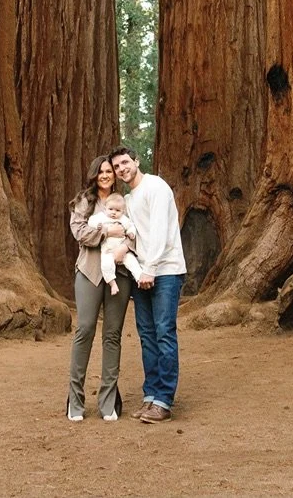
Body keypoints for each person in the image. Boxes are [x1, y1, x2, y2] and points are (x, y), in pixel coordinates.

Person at [110, 146, 185, 424]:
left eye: (125, 162)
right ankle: (151, 395)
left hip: (165, 271)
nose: (122, 169)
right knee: (147, 334)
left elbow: (161, 232)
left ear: (136, 161)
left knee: (164, 332)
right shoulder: (128, 200)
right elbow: (135, 233)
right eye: (117, 167)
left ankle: (164, 400)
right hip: (142, 273)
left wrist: (150, 269)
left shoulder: (156, 187)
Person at [66, 155, 133, 422]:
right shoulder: (85, 201)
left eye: (110, 171)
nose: (106, 175)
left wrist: (124, 242)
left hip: (121, 273)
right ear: (94, 174)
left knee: (113, 335)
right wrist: (107, 233)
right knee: (84, 330)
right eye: (101, 171)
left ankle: (108, 402)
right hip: (89, 272)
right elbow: (79, 233)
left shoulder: (124, 202)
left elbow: (135, 232)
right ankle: (75, 401)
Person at [87, 194, 143, 295]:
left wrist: (131, 233)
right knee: (106, 265)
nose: (113, 213)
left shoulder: (123, 219)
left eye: (117, 211)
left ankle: (139, 278)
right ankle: (113, 284)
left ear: (123, 211)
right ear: (105, 208)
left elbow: (131, 226)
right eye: (111, 209)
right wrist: (97, 225)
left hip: (122, 249)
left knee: (132, 262)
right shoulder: (101, 217)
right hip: (107, 251)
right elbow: (91, 221)